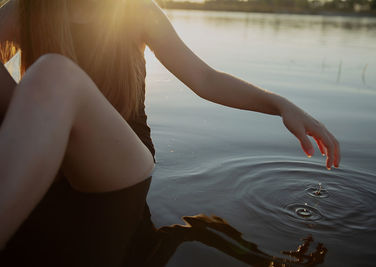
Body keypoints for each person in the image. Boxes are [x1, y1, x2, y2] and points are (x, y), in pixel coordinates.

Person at [0, 0, 340, 265]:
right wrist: (25, 110)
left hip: (123, 160)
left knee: (55, 73)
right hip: (55, 158)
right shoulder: (30, 9)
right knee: (52, 77)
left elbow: (204, 79)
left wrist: (280, 104)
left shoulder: (132, 10)